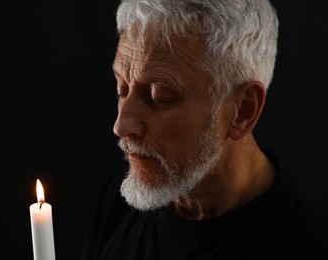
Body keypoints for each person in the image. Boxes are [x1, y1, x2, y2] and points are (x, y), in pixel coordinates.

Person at [80, 0, 328, 259]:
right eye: (122, 88)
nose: (121, 126)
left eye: (158, 97)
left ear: (242, 110)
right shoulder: (118, 206)